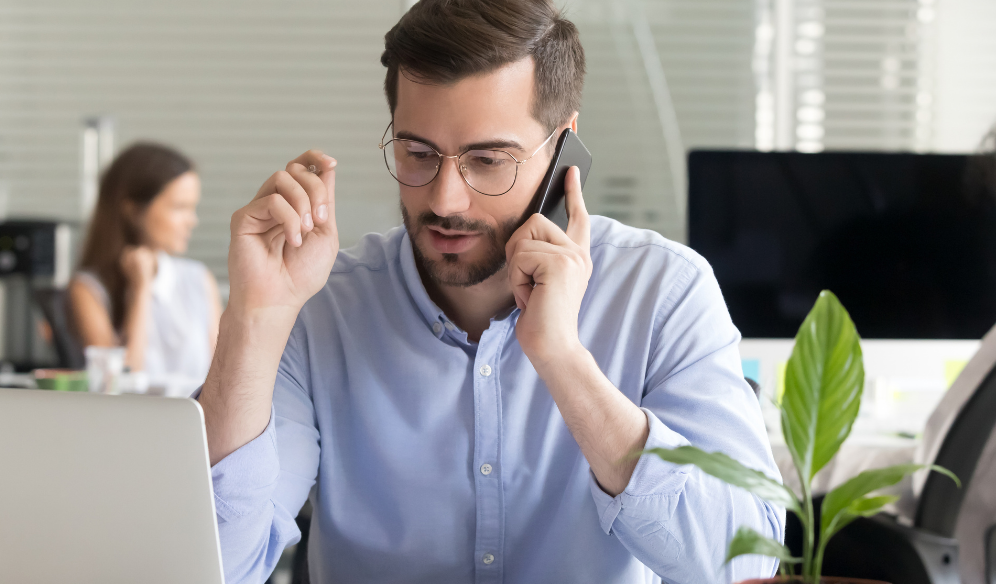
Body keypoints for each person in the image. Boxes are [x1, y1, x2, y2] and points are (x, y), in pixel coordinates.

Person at [198, 1, 784, 582]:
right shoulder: (321, 308)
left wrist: (564, 360)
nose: (445, 199)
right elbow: (215, 567)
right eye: (418, 153)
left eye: (488, 160)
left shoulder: (662, 291)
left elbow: (743, 564)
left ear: (563, 147)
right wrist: (255, 318)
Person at [69, 142, 222, 397]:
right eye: (179, 207)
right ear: (132, 210)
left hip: (198, 418)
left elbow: (221, 375)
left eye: (193, 208)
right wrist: (140, 291)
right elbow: (119, 384)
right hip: (132, 419)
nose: (192, 221)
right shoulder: (88, 288)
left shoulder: (199, 278)